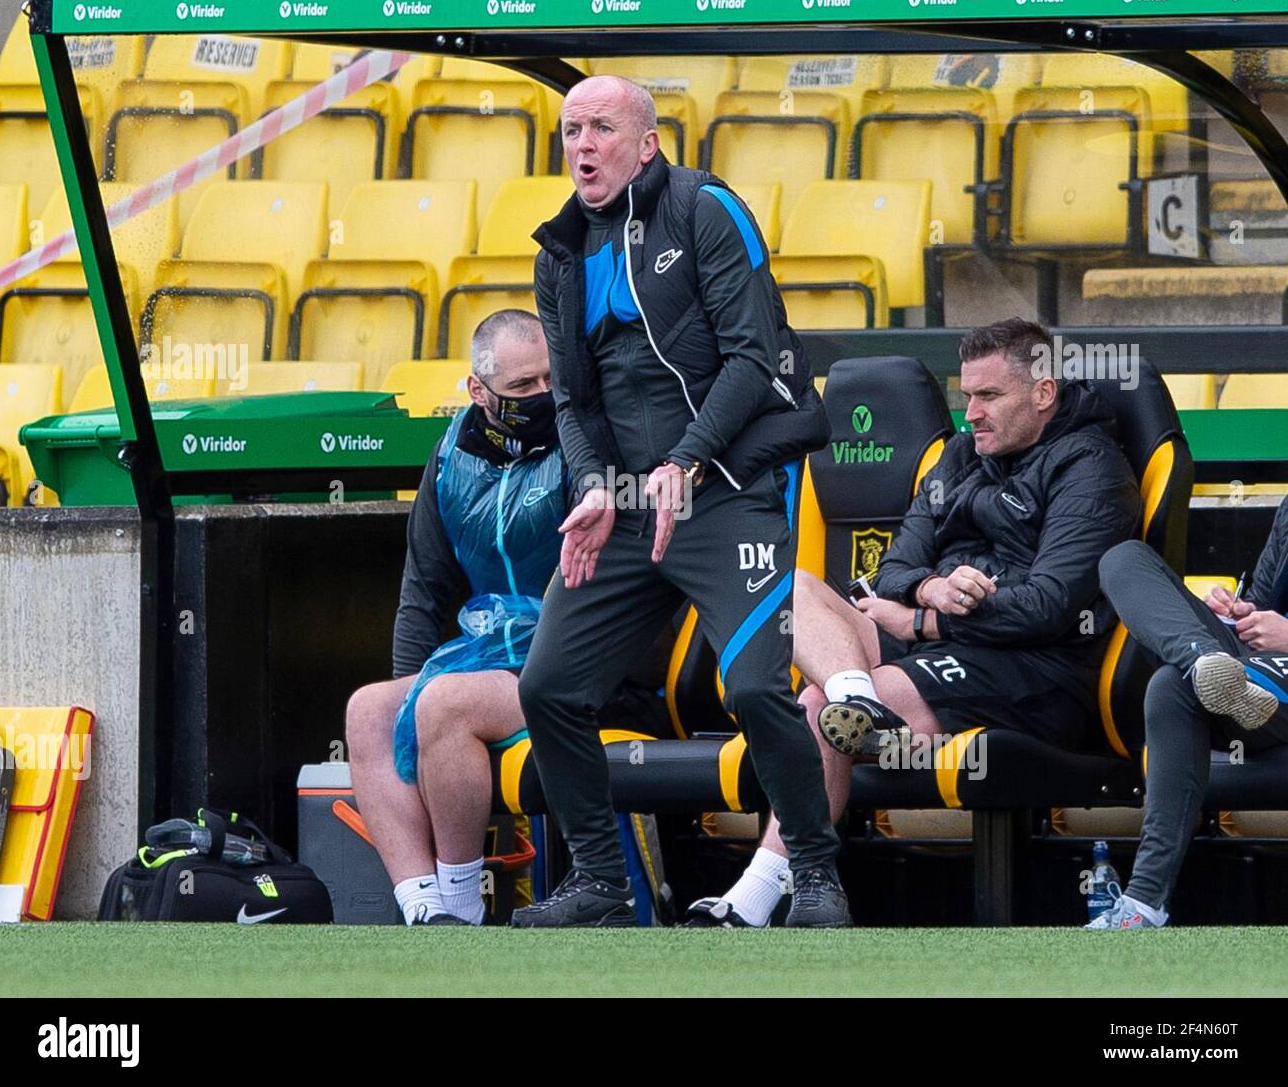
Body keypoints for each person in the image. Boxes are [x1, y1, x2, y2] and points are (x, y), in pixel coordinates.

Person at [512, 75, 848, 929]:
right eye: (570, 130)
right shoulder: (559, 252)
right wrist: (590, 487)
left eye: (601, 129)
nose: (582, 145)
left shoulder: (706, 210)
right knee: (548, 685)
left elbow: (753, 354)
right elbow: (574, 405)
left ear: (648, 142)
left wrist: (691, 462)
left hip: (729, 492)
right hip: (625, 506)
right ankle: (599, 881)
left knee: (756, 690)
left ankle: (814, 875)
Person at [687, 318, 1144, 927]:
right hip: (938, 640)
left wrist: (923, 622)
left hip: (1036, 672)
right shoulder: (961, 454)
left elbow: (1048, 606)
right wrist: (930, 588)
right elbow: (896, 564)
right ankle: (856, 694)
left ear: (1042, 393)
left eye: (989, 396)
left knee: (817, 709)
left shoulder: (1092, 470)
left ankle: (757, 896)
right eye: (967, 395)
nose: (972, 413)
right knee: (786, 587)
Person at [344, 309, 663, 926]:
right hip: (488, 658)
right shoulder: (450, 456)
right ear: (478, 391)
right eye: (522, 388)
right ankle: (422, 908)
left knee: (444, 703)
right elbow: (424, 591)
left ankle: (463, 911)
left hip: (590, 673)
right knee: (371, 711)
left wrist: (429, 702)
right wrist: (409, 700)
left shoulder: (589, 446)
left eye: (551, 380)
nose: (542, 396)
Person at [1091, 510, 1288, 930]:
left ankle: (1143, 901)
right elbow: (1265, 601)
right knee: (1123, 559)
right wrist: (1240, 612)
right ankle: (1202, 658)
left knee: (1170, 684)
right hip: (1256, 675)